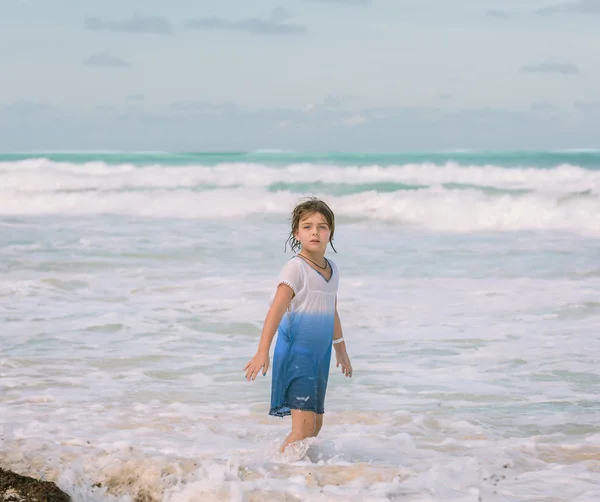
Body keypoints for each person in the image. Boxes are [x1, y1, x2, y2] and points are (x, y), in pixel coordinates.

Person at [244, 197, 353, 453]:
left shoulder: (332, 269)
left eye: (322, 226)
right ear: (297, 232)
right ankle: (278, 475)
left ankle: (299, 477)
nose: (315, 231)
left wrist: (341, 349)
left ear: (331, 233)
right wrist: (263, 351)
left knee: (315, 425)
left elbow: (331, 310)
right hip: (297, 355)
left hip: (320, 356)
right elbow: (276, 311)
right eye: (307, 226)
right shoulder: (296, 269)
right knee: (301, 429)